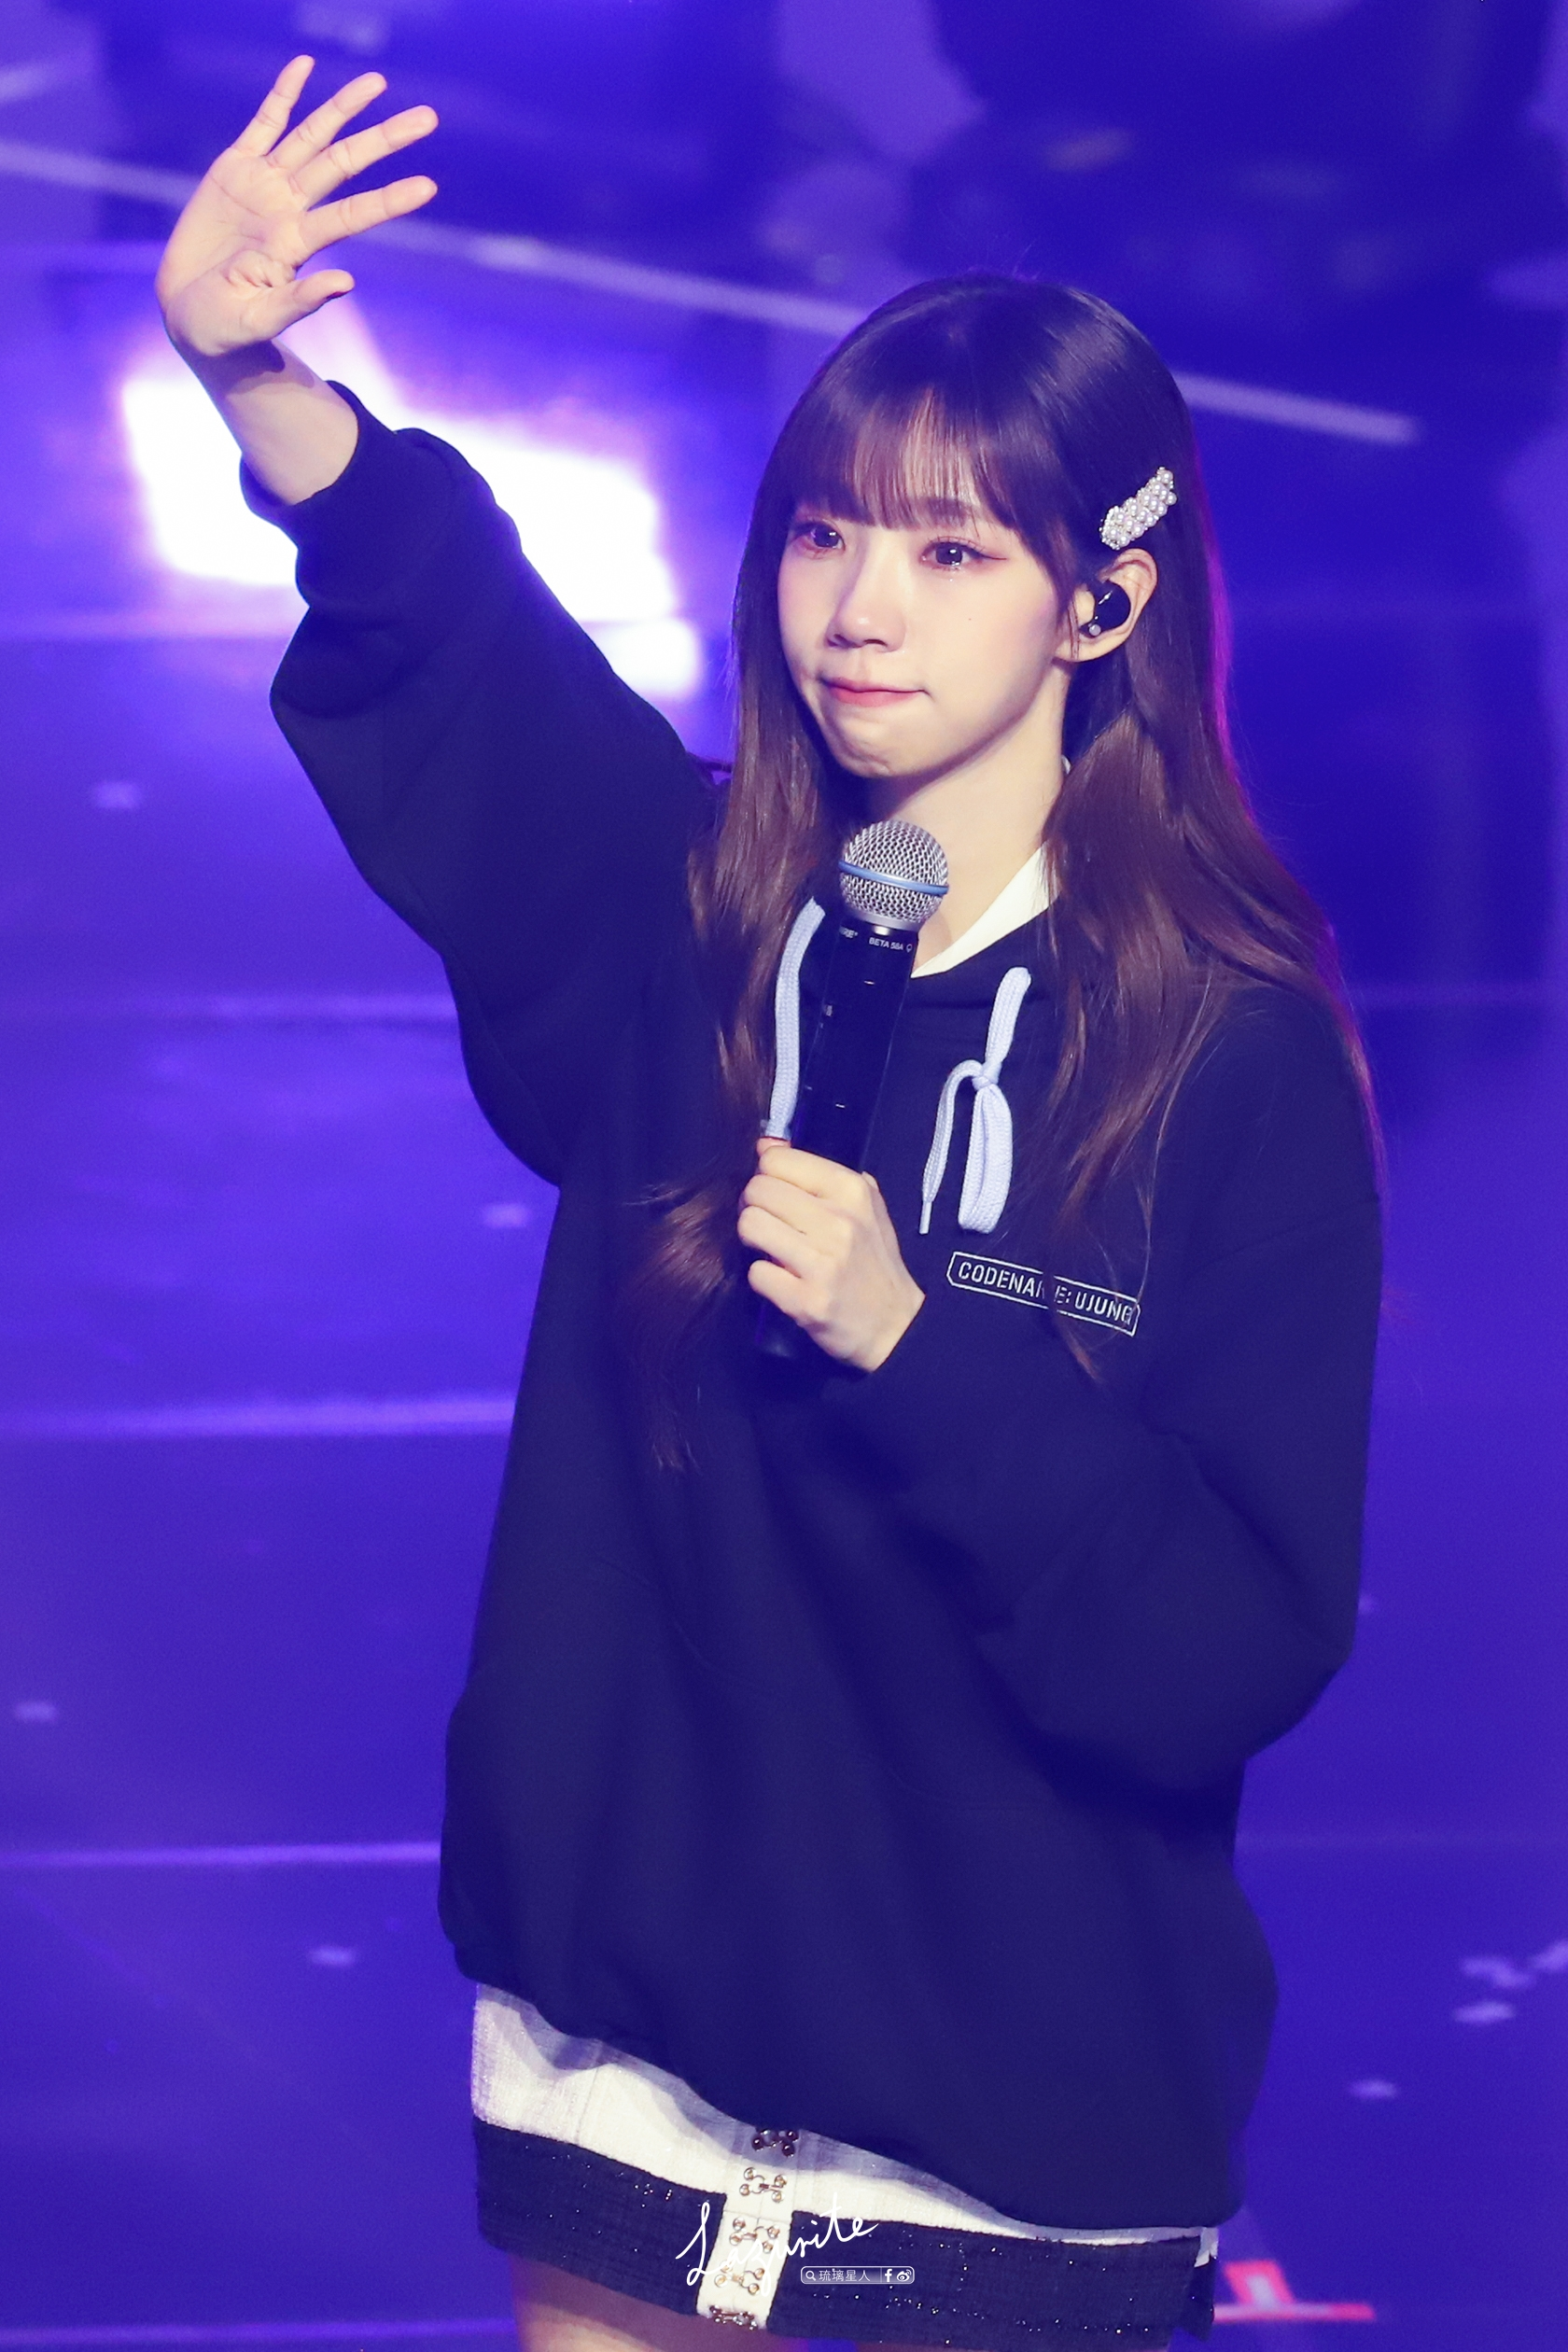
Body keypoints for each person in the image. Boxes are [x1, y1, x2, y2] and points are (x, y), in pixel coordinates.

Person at [155, 57, 1383, 2352]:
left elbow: (1231, 1636)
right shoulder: (706, 918)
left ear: (1102, 602)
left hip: (1001, 2119)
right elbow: (487, 679)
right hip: (633, 2062)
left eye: (952, 552)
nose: (859, 610)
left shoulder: (1227, 1054)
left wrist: (924, 1345)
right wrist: (268, 390)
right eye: (824, 534)